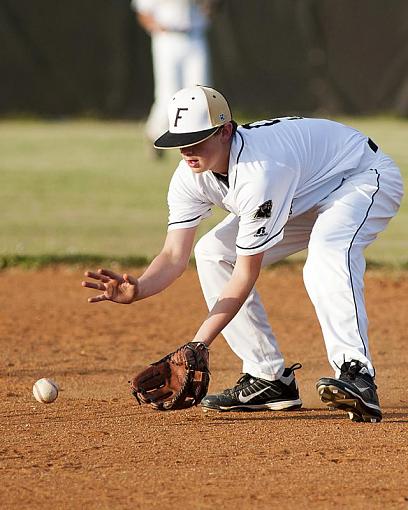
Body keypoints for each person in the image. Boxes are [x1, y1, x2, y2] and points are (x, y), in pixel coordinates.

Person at [82, 85, 403, 423]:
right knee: (211, 252)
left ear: (225, 131)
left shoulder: (260, 172)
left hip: (360, 177)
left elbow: (246, 273)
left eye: (196, 140)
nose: (187, 151)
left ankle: (357, 374)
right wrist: (141, 288)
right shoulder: (191, 175)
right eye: (180, 143)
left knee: (327, 252)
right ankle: (268, 379)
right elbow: (175, 255)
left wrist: (198, 344)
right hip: (299, 193)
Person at [131, 0, 215, 157]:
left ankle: (198, 141)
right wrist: (156, 27)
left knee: (201, 93)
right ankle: (155, 133)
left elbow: (210, 7)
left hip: (195, 35)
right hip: (167, 38)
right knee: (168, 94)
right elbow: (143, 11)